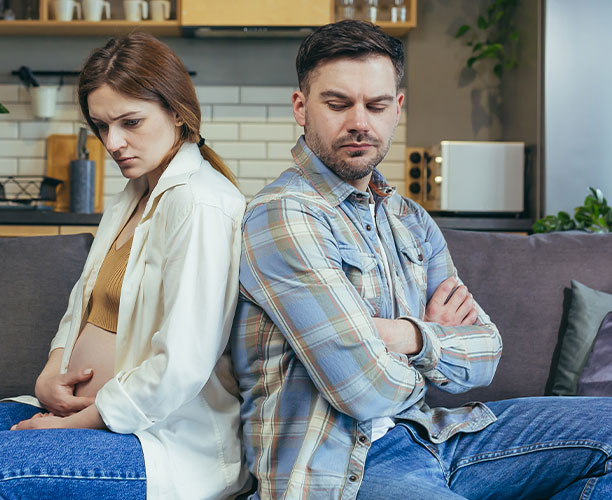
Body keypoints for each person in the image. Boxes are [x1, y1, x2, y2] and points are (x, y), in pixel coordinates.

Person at [231, 19, 612, 500]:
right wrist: (434, 343)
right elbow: (363, 388)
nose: (359, 122)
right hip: (348, 465)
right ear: (301, 107)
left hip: (435, 433)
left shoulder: (408, 217)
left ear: (397, 109)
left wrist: (402, 334)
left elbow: (487, 353)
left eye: (377, 105)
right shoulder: (283, 214)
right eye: (338, 103)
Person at [0, 33, 250, 500]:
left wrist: (78, 421)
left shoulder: (202, 204)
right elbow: (81, 308)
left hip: (156, 437)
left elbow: (182, 366)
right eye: (101, 126)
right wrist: (51, 373)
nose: (113, 143)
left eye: (131, 122)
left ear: (177, 111)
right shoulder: (132, 196)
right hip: (85, 416)